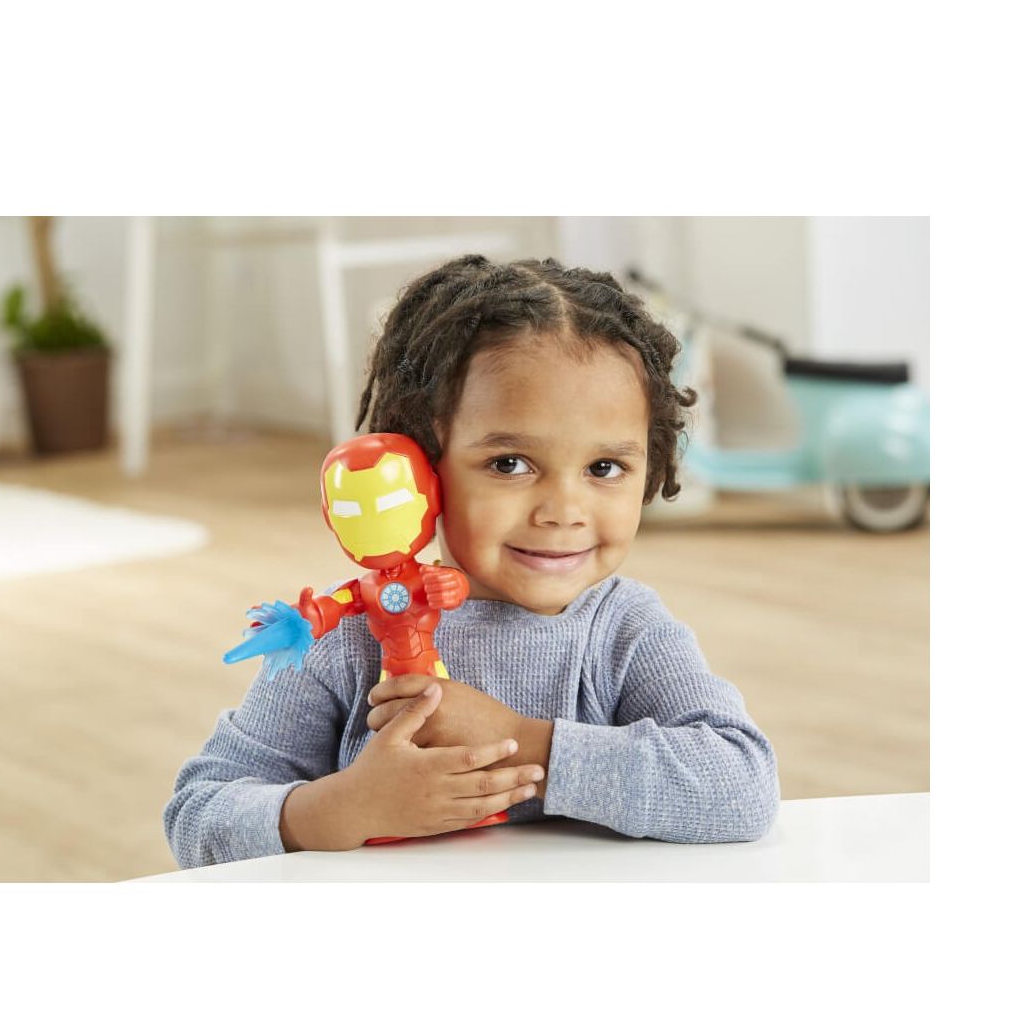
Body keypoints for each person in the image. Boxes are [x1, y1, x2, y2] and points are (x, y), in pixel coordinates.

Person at [164, 256, 780, 866]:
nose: (564, 511)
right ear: (417, 463)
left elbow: (743, 786)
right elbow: (198, 814)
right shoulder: (346, 637)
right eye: (510, 464)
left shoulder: (625, 629)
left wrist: (522, 743)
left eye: (604, 467)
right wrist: (344, 808)